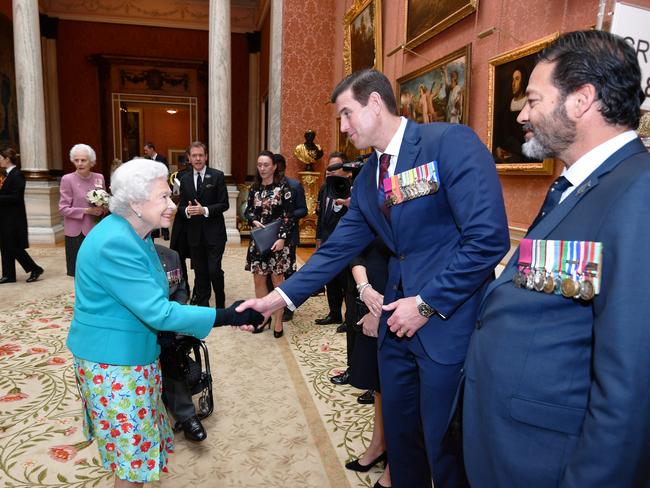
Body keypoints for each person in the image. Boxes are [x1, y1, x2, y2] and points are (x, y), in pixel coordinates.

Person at [238, 69, 509, 487]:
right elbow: (335, 251)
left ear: (376, 104)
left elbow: (487, 241)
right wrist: (277, 300)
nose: (343, 127)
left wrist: (425, 303)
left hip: (447, 325)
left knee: (446, 446)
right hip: (395, 329)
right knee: (403, 442)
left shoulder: (448, 144)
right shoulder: (367, 178)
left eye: (347, 114)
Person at [463, 30, 650, 487]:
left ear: (582, 100)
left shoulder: (639, 192)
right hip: (510, 439)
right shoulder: (579, 186)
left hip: (551, 460)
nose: (523, 114)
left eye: (533, 99)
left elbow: (630, 387)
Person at [66, 159, 262, 488]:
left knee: (136, 456)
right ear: (135, 203)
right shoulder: (116, 242)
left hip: (133, 355)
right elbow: (159, 312)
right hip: (113, 363)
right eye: (164, 198)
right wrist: (228, 315)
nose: (173, 205)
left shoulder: (135, 234)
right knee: (132, 463)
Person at [346, 239, 392, 488]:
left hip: (399, 302)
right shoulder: (368, 202)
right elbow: (354, 248)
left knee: (399, 390)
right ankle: (379, 444)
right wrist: (365, 289)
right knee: (378, 383)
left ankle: (397, 463)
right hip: (371, 296)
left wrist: (382, 312)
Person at [154, 243, 207, 442]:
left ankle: (187, 416)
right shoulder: (120, 256)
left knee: (169, 351)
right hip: (132, 328)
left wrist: (173, 314)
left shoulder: (170, 256)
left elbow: (182, 291)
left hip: (166, 327)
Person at [244, 150, 295, 338]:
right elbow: (248, 211)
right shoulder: (254, 189)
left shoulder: (284, 187)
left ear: (274, 166)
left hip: (278, 241)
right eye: (259, 165)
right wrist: (252, 220)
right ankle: (263, 316)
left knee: (277, 281)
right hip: (259, 240)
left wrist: (282, 238)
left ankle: (278, 319)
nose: (262, 168)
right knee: (259, 278)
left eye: (266, 165)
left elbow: (289, 216)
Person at [177, 141, 229, 309]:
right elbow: (182, 206)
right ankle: (204, 304)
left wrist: (204, 210)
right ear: (189, 158)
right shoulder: (183, 179)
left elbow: (224, 204)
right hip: (194, 234)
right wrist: (187, 211)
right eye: (194, 156)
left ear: (206, 157)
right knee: (200, 271)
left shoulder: (217, 176)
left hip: (215, 233)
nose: (198, 158)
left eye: (201, 155)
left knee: (214, 270)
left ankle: (220, 302)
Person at [314, 154, 353, 330]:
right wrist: (319, 240)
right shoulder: (324, 188)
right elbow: (321, 216)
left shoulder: (353, 189)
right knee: (331, 279)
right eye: (328, 169)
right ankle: (334, 313)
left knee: (347, 282)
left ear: (347, 172)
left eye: (334, 169)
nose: (330, 172)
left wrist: (347, 204)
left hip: (347, 242)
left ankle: (349, 317)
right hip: (328, 239)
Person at [58, 144, 106, 277]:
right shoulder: (67, 179)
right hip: (76, 232)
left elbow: (103, 202)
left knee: (95, 269)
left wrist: (101, 209)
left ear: (91, 161)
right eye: (76, 160)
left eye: (83, 160)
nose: (79, 163)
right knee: (77, 271)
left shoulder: (99, 177)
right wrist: (86, 211)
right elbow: (63, 209)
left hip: (94, 229)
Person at [0, 147, 44, 284]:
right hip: (4, 217)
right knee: (5, 245)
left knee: (13, 247)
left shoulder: (17, 174)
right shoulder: (7, 174)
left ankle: (35, 268)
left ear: (7, 159)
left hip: (13, 218)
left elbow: (16, 197)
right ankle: (8, 275)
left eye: (0, 158)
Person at [272, 153, 307, 322]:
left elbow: (304, 210)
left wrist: (287, 215)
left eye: (279, 170)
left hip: (289, 236)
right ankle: (271, 303)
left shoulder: (294, 185)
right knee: (270, 272)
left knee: (288, 272)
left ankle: (289, 307)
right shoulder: (266, 187)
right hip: (269, 236)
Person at [493, 66, 535, 163]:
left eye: (517, 79)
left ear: (523, 80)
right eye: (512, 80)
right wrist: (498, 148)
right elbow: (498, 134)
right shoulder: (505, 108)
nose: (513, 84)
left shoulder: (530, 106)